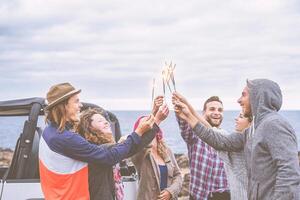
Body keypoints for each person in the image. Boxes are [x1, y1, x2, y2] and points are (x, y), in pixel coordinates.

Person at [173, 79, 300, 200]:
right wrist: (188, 115)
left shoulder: (274, 124)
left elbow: (289, 173)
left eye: (244, 95)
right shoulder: (252, 130)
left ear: (258, 97)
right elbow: (220, 140)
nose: (239, 100)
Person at [39, 82, 160, 200]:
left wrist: (154, 120)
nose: (80, 105)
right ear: (63, 106)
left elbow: (121, 150)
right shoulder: (64, 138)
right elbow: (111, 155)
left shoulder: (49, 132)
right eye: (76, 101)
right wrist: (139, 131)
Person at [77, 107, 169, 200]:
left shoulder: (104, 149)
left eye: (105, 120)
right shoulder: (99, 150)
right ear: (89, 128)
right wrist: (156, 120)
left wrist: (154, 118)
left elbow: (133, 145)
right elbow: (133, 146)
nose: (106, 123)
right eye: (100, 121)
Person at [172, 94, 229, 200]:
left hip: (223, 196)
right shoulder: (194, 135)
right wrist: (181, 108)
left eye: (220, 110)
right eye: (212, 109)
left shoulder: (226, 137)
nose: (216, 112)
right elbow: (184, 124)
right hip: (198, 196)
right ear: (203, 112)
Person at [131, 97, 183, 200]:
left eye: (150, 121)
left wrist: (171, 191)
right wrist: (155, 115)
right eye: (144, 124)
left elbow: (178, 175)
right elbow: (140, 144)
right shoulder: (139, 152)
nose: (148, 124)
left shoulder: (166, 150)